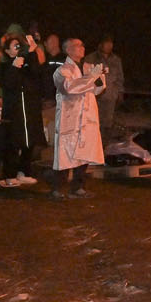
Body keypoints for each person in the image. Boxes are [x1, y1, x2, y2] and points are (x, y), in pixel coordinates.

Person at [0, 27, 51, 187]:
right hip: (14, 111)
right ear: (7, 51)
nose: (18, 48)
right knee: (13, 143)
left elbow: (37, 73)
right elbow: (7, 84)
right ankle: (9, 175)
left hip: (30, 108)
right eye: (14, 46)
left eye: (19, 45)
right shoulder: (4, 66)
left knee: (30, 142)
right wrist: (14, 67)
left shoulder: (27, 65)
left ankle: (24, 172)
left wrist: (32, 52)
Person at [50, 37, 103, 198]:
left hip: (87, 116)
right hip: (70, 117)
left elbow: (97, 89)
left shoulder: (88, 67)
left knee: (84, 152)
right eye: (78, 45)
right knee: (65, 154)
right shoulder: (61, 71)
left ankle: (78, 187)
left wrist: (99, 77)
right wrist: (90, 78)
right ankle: (58, 188)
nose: (82, 47)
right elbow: (69, 88)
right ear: (68, 49)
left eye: (82, 45)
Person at [93, 35, 126, 137]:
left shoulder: (116, 60)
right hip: (96, 96)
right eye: (106, 43)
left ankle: (105, 142)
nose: (109, 46)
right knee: (95, 121)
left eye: (110, 44)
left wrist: (120, 92)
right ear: (101, 44)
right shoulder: (92, 58)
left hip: (111, 96)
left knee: (108, 122)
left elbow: (120, 77)